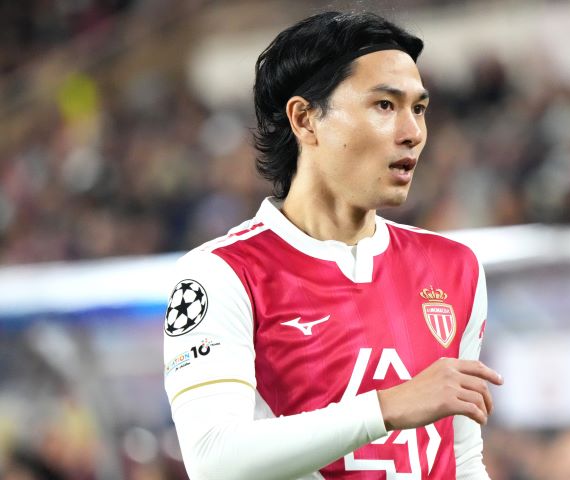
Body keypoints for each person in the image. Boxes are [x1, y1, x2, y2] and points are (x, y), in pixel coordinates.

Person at [163, 10, 503, 480]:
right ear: (305, 119)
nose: (413, 132)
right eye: (384, 105)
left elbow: (461, 459)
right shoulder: (220, 275)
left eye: (419, 108)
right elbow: (214, 459)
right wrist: (385, 407)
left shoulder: (453, 267)